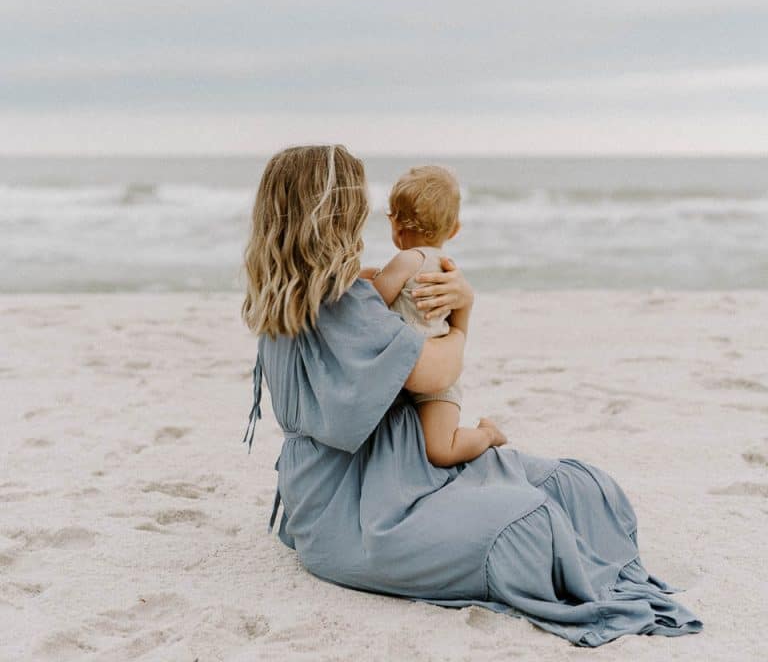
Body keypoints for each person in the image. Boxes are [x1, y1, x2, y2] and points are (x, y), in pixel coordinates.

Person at [242, 144, 703, 647]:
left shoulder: (314, 293)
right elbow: (437, 370)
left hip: (405, 464)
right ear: (332, 215)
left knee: (579, 489)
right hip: (354, 506)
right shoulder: (342, 302)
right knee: (529, 526)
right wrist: (463, 314)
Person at [362, 164, 507, 466]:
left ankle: (488, 435)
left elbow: (373, 302)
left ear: (395, 225)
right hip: (441, 371)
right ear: (454, 229)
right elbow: (455, 321)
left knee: (437, 450)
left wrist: (367, 278)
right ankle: (483, 437)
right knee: (441, 449)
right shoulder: (450, 269)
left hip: (426, 372)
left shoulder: (405, 260)